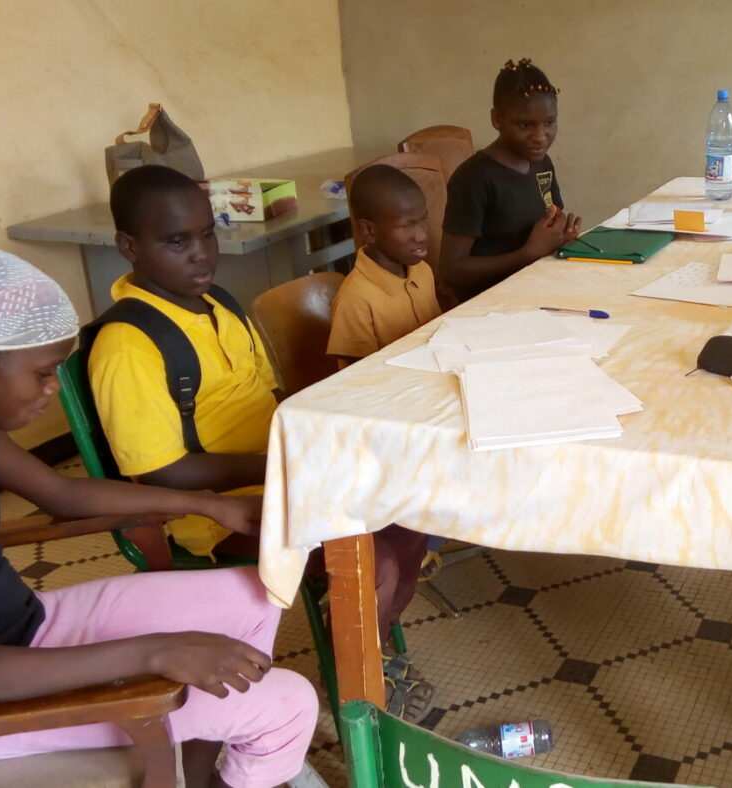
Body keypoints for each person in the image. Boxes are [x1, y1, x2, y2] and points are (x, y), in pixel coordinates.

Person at [0, 249, 319, 788]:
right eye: (42, 373)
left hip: (29, 627)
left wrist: (208, 503)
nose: (52, 390)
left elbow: (63, 492)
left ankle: (199, 769)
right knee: (291, 704)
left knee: (258, 593)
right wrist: (157, 650)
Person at [89, 165, 433, 719]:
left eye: (207, 234)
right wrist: (274, 463)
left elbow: (268, 391)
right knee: (376, 557)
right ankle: (358, 680)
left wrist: (314, 442)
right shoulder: (128, 345)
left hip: (283, 471)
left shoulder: (219, 303)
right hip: (221, 511)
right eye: (177, 242)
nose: (201, 254)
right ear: (128, 246)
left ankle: (362, 627)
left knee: (415, 506)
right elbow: (160, 473)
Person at [441, 58, 582, 302]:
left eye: (549, 122)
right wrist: (527, 254)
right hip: (488, 303)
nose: (540, 137)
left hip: (534, 286)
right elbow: (451, 270)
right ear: (497, 119)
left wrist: (559, 238)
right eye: (525, 125)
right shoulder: (474, 178)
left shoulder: (542, 164)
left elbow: (549, 221)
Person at [328, 164, 443, 365]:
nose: (422, 235)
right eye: (407, 225)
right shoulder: (355, 300)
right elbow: (361, 377)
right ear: (369, 231)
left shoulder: (422, 270)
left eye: (422, 220)